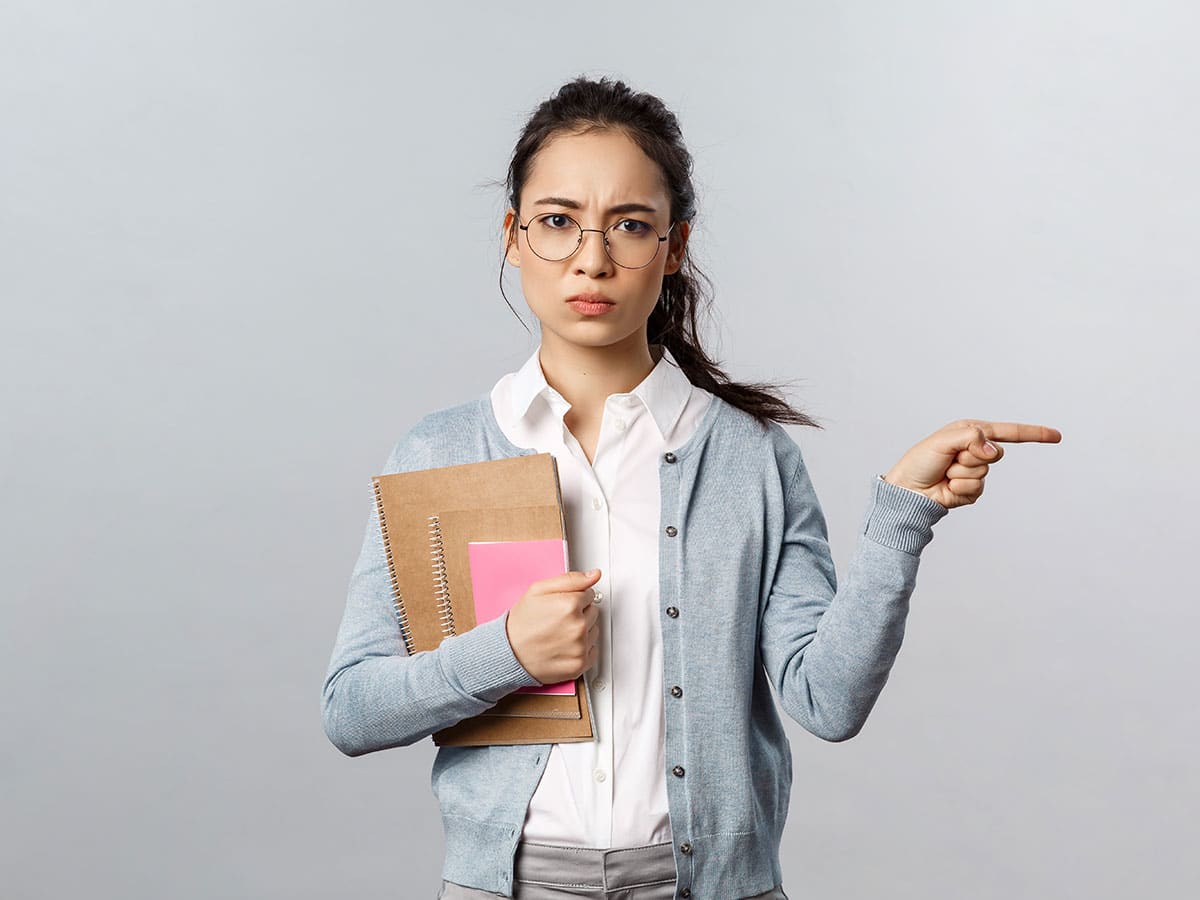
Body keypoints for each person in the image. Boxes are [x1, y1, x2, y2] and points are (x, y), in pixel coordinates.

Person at [321, 76, 1062, 900]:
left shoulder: (749, 459)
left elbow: (828, 700)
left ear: (674, 247)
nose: (592, 259)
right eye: (558, 223)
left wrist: (901, 515)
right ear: (513, 235)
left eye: (630, 226)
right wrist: (508, 653)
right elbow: (351, 709)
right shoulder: (441, 452)